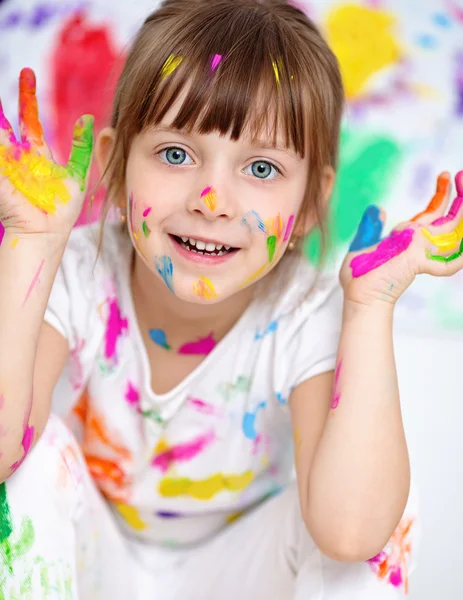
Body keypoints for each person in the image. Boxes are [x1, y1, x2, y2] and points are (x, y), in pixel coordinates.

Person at [0, 0, 462, 597]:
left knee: (380, 507)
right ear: (114, 165)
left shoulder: (306, 313)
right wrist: (33, 246)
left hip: (243, 574)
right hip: (92, 560)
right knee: (27, 462)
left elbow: (350, 534)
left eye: (263, 169)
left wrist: (369, 308)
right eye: (176, 154)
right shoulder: (78, 272)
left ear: (309, 205)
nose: (212, 200)